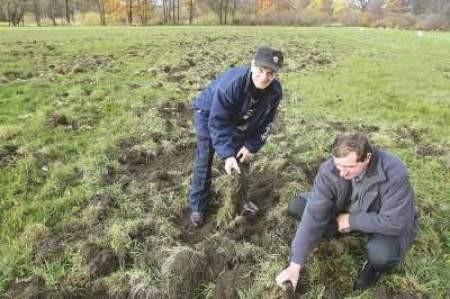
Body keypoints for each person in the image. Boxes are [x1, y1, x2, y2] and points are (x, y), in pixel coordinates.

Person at [276, 132, 419, 292]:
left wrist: (352, 220)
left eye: (350, 167)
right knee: (298, 206)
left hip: (381, 219)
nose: (343, 173)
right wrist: (295, 265)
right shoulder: (329, 170)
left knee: (382, 255)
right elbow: (314, 213)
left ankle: (373, 268)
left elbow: (397, 222)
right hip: (344, 210)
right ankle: (335, 230)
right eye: (339, 165)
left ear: (367, 158)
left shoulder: (393, 172)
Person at [188, 46, 284, 227]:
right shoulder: (232, 85)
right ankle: (198, 205)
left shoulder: (275, 92)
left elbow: (266, 123)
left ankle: (239, 201)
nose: (264, 77)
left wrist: (251, 146)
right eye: (261, 70)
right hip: (208, 111)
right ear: (252, 65)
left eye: (270, 73)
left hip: (238, 115)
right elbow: (217, 122)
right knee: (205, 155)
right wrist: (227, 154)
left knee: (242, 157)